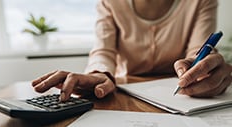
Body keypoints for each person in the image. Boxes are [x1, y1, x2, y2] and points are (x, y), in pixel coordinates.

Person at [32, 0, 232, 102]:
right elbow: (103, 51)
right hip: (124, 94)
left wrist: (205, 68)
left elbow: (197, 53)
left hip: (179, 97)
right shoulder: (110, 2)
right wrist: (99, 74)